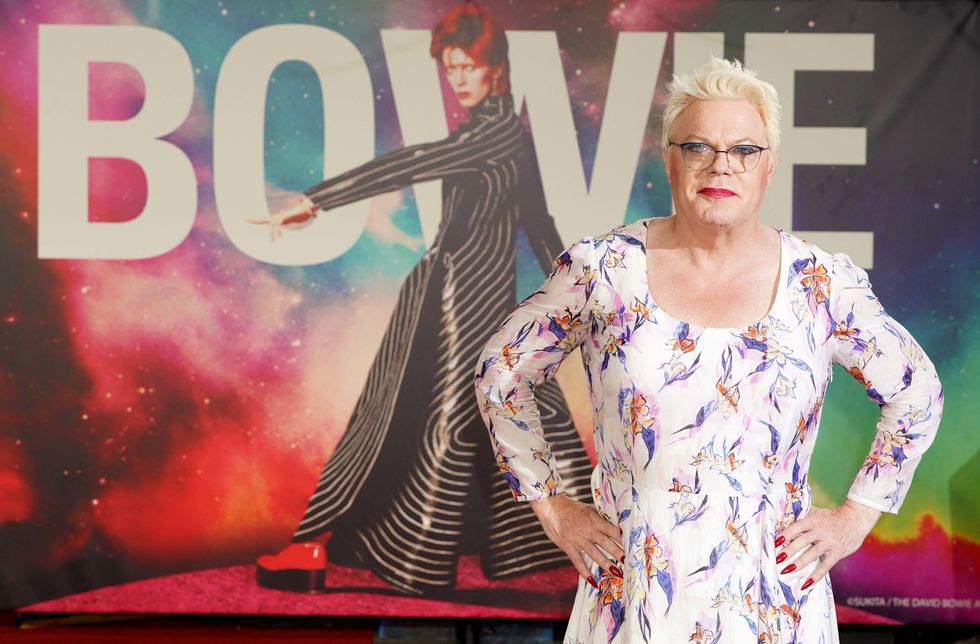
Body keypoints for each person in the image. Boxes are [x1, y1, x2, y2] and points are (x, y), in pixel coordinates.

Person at [474, 57, 943, 642]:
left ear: (769, 167)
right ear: (669, 158)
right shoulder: (606, 270)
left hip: (776, 604)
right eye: (698, 146)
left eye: (744, 150)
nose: (721, 165)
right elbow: (502, 374)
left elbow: (917, 393)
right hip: (635, 599)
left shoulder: (821, 283)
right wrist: (553, 508)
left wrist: (857, 516)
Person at [249, 2, 593, 595]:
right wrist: (583, 291)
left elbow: (417, 164)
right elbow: (538, 222)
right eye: (451, 68)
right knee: (466, 420)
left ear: (496, 71)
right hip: (462, 304)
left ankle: (351, 551)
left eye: (468, 67)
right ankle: (321, 545)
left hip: (458, 306)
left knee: (426, 424)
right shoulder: (507, 136)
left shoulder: (493, 137)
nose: (458, 79)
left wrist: (319, 199)